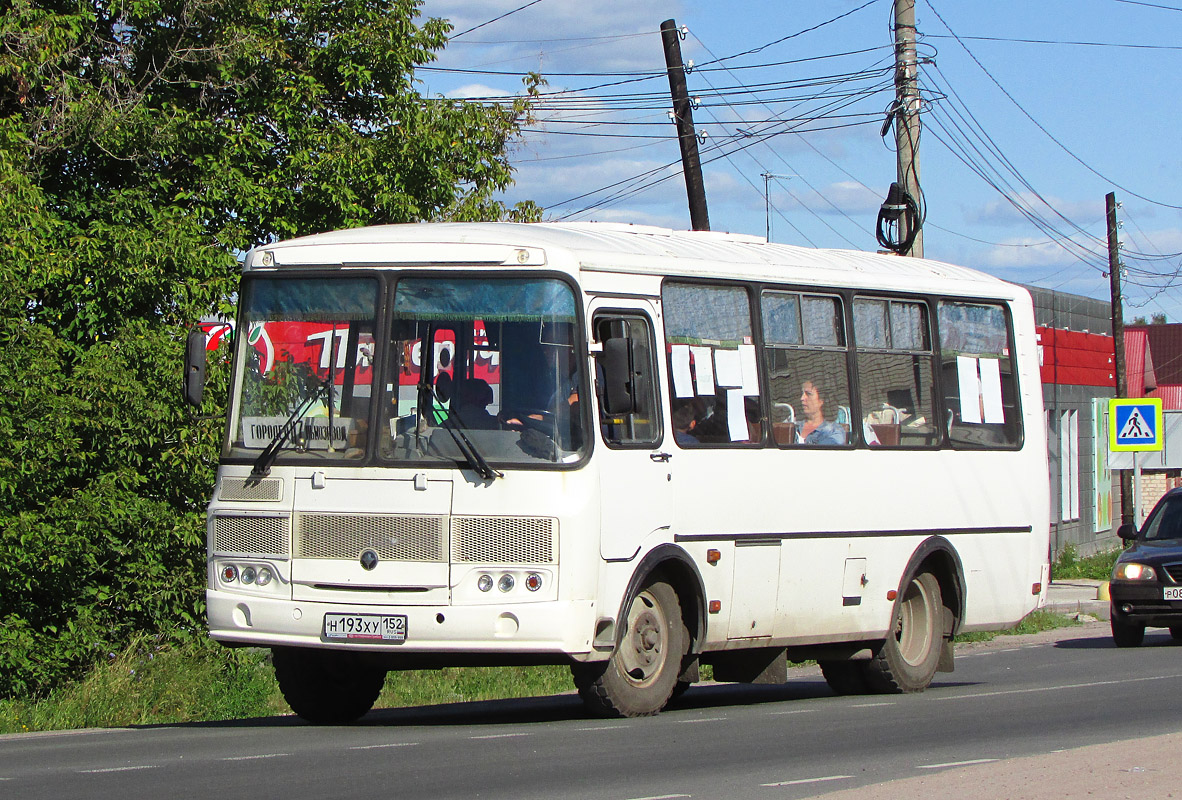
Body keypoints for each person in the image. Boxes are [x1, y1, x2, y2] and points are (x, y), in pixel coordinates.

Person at [797, 379, 847, 445]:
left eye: (808, 394)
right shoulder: (793, 424)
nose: (802, 398)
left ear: (821, 400)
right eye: (802, 393)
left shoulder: (833, 431)